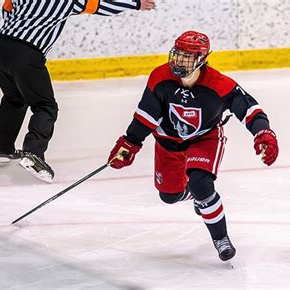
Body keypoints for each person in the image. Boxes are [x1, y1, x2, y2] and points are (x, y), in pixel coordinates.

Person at [107, 30, 279, 262]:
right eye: (177, 54)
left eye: (187, 56)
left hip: (204, 139)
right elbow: (146, 115)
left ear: (201, 59)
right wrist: (130, 142)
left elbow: (248, 109)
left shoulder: (219, 84)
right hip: (168, 141)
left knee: (201, 183)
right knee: (169, 196)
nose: (179, 60)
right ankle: (198, 197)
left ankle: (220, 238)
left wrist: (262, 131)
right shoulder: (160, 77)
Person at [0, 0, 157, 183]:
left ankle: (0, 149)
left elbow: (6, 8)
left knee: (14, 98)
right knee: (45, 106)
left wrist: (21, 27)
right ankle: (33, 154)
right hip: (26, 53)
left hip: (1, 47)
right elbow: (102, 5)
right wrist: (136, 4)